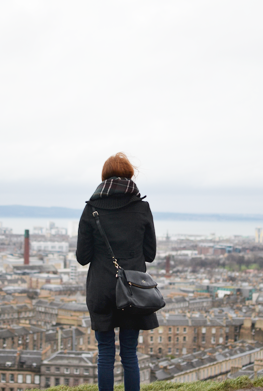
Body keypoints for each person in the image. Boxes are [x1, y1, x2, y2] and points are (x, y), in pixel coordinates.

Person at [76, 152, 158, 391]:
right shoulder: (142, 208)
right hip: (133, 290)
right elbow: (150, 254)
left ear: (104, 177)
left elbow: (82, 258)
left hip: (101, 288)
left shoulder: (91, 208)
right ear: (130, 176)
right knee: (130, 353)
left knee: (105, 353)